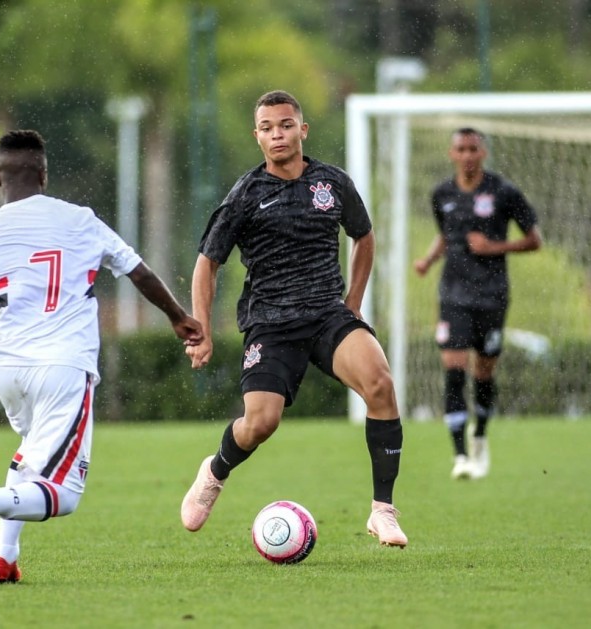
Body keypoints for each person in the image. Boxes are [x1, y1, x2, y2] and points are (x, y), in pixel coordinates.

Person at [0, 129, 203, 582]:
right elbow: (137, 270)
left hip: (9, 371)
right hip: (63, 367)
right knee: (63, 495)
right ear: (44, 176)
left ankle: (3, 558)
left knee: (28, 462)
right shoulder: (81, 220)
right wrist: (176, 315)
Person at [179, 90, 408, 548]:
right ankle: (215, 470)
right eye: (267, 128)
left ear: (302, 130)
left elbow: (363, 236)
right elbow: (207, 263)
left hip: (328, 314)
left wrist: (354, 301)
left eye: (285, 125)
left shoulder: (332, 182)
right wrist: (201, 330)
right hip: (271, 322)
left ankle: (383, 510)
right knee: (260, 423)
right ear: (257, 137)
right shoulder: (245, 194)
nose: (277, 134)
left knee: (380, 384)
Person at [413, 127, 541, 480]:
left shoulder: (503, 192)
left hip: (492, 295)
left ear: (483, 152)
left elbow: (534, 240)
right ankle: (460, 456)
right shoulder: (441, 194)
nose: (467, 155)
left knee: (483, 372)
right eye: (461, 149)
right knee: (454, 370)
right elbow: (447, 234)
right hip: (453, 295)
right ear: (452, 153)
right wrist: (427, 260)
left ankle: (480, 436)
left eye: (473, 149)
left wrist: (494, 247)